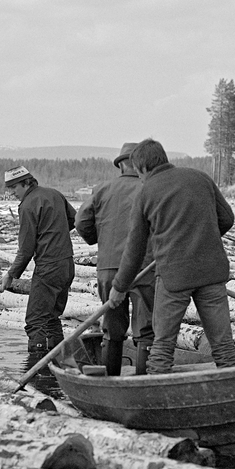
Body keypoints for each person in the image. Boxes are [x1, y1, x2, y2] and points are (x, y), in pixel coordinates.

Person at [110, 139, 235, 374]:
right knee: (223, 346)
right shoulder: (200, 177)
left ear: (141, 168)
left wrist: (119, 287)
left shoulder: (145, 192)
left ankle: (155, 398)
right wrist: (203, 240)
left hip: (174, 277)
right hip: (211, 272)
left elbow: (134, 250)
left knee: (163, 346)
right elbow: (227, 219)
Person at [75, 142, 155, 375]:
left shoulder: (102, 189)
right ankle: (142, 382)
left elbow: (81, 223)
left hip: (109, 268)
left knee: (111, 327)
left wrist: (98, 240)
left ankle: (111, 379)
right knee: (145, 328)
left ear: (121, 165)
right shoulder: (150, 189)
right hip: (145, 267)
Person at [0, 165, 76, 364]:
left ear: (26, 182)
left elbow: (26, 249)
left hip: (49, 267)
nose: (11, 192)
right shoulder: (54, 194)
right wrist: (54, 233)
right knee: (51, 317)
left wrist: (11, 274)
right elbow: (74, 220)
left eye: (14, 187)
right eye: (9, 188)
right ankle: (57, 366)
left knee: (35, 321)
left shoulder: (27, 205)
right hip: (67, 265)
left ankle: (37, 369)